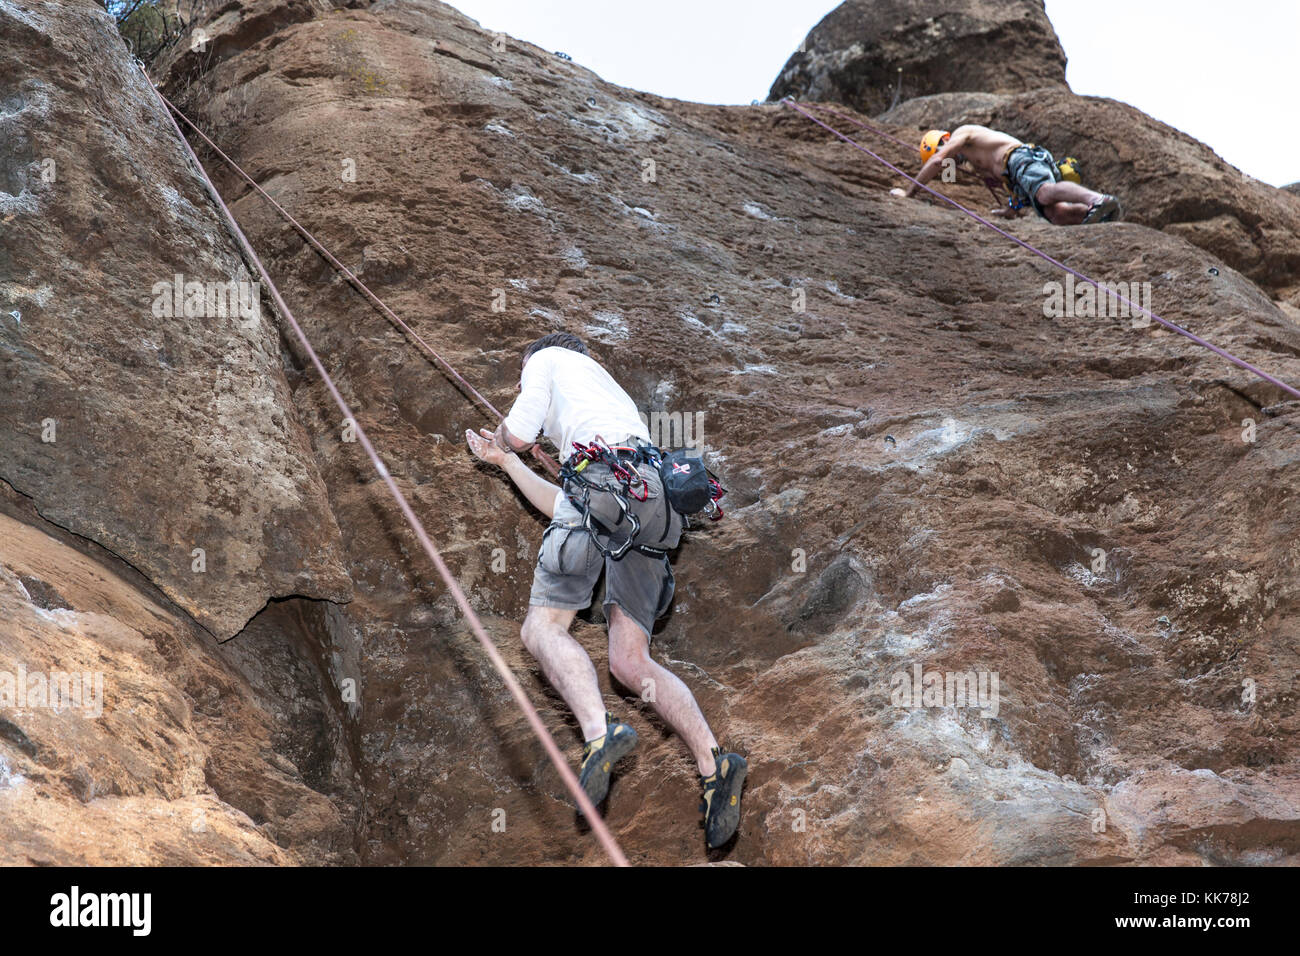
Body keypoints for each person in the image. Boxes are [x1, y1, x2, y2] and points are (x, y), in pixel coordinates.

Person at [464, 331, 746, 848]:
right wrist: (507, 466)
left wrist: (501, 442)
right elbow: (567, 507)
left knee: (543, 627)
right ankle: (713, 762)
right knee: (630, 662)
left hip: (604, 486)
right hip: (654, 501)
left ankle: (599, 731)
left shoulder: (547, 359)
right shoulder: (611, 401)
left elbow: (523, 431)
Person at [891, 126, 1122, 225]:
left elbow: (938, 161)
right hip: (1019, 170)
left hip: (1021, 157)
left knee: (1044, 193)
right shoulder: (977, 161)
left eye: (943, 152)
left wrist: (909, 193)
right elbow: (1014, 188)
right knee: (1055, 213)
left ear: (941, 142)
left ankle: (1097, 200)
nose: (949, 164)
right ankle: (1102, 216)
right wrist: (1010, 210)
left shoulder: (962, 133)